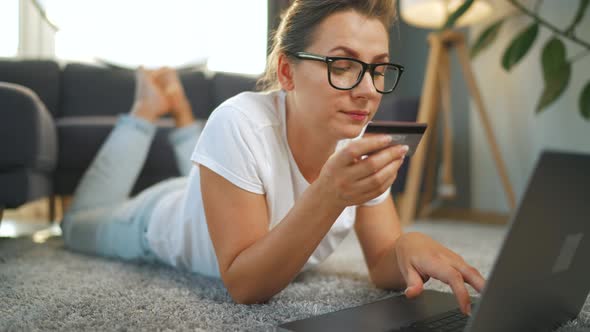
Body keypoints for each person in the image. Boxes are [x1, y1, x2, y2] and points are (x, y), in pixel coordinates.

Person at [61, 0, 485, 316]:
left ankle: (181, 111)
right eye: (342, 65)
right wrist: (330, 194)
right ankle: (145, 110)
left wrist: (407, 245)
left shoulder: (353, 139)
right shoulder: (238, 121)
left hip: (225, 188)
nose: (369, 91)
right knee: (75, 224)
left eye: (378, 68)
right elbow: (244, 285)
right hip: (154, 221)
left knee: (220, 167)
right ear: (286, 73)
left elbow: (381, 263)